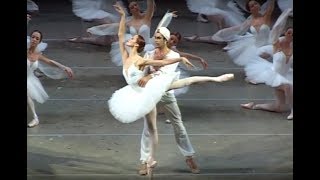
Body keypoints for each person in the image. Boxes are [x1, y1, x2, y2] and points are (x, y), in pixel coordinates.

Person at [108, 4, 234, 175]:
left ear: (165, 41)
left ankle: (189, 157)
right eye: (155, 37)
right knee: (148, 128)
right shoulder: (150, 53)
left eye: (158, 38)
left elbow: (164, 75)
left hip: (166, 92)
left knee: (178, 125)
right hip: (149, 93)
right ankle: (145, 161)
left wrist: (149, 76)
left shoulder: (173, 56)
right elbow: (144, 64)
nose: (155, 39)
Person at [241, 10, 293, 120]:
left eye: (293, 34)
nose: (290, 35)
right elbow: (277, 27)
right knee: (288, 87)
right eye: (289, 33)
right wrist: (285, 14)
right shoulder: (277, 44)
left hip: (287, 75)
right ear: (285, 32)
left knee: (279, 107)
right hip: (274, 76)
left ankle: (254, 105)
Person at [27, 30, 74, 127]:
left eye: (37, 38)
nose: (34, 40)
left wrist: (64, 67)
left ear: (39, 42)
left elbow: (50, 62)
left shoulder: (37, 54)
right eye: (33, 37)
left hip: (29, 78)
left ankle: (35, 118)